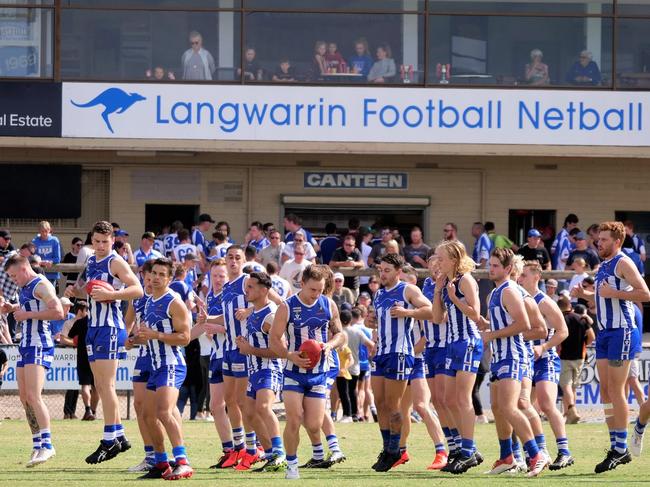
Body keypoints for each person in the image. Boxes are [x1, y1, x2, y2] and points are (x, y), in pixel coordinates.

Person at [65, 220, 143, 464]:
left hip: (110, 327)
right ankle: (119, 435)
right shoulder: (90, 261)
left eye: (104, 242)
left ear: (112, 241)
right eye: (96, 241)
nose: (100, 246)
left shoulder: (115, 261)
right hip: (93, 327)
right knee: (100, 384)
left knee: (106, 386)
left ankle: (109, 440)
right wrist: (74, 293)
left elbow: (137, 289)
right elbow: (89, 290)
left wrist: (112, 295)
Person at [574, 221, 649, 472]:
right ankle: (617, 446)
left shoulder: (623, 262)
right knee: (606, 391)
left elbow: (645, 293)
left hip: (622, 331)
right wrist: (585, 296)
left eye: (604, 239)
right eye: (599, 239)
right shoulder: (604, 265)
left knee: (616, 390)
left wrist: (614, 295)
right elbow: (603, 295)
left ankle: (621, 448)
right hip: (605, 332)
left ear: (617, 242)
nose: (599, 242)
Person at [269, 265, 345, 480]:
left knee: (313, 424)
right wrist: (289, 355)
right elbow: (274, 339)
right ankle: (292, 466)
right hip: (293, 372)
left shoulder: (328, 304)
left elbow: (340, 334)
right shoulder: (287, 307)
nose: (316, 295)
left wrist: (330, 345)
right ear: (302, 284)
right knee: (294, 418)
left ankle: (321, 450)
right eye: (312, 290)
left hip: (319, 373)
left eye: (320, 290)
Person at [480, 248, 549, 477]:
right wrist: (486, 328)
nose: (491, 269)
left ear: (508, 269)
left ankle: (536, 454)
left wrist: (492, 335)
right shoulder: (498, 291)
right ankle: (507, 457)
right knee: (498, 408)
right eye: (490, 265)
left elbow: (524, 324)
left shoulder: (509, 290)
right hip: (500, 356)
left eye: (496, 265)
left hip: (513, 355)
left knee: (511, 406)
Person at [370, 254, 432, 472]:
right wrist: (372, 320)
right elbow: (379, 319)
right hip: (381, 352)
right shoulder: (378, 294)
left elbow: (431, 310)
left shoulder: (408, 290)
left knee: (393, 405)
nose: (383, 274)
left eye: (387, 270)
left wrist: (408, 312)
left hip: (399, 352)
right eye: (381, 269)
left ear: (398, 272)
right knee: (379, 404)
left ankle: (395, 449)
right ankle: (387, 448)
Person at [133, 258, 193, 480]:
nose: (156, 278)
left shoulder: (174, 302)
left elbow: (185, 338)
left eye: (161, 274)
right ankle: (161, 463)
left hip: (171, 364)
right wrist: (135, 339)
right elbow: (149, 337)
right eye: (154, 273)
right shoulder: (148, 301)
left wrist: (156, 335)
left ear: (169, 278)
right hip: (155, 365)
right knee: (148, 416)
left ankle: (183, 461)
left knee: (164, 412)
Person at [3, 254, 64, 466]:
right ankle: (38, 444)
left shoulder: (41, 284)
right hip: (26, 344)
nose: (13, 280)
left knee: (34, 395)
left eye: (13, 276)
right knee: (24, 397)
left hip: (39, 343)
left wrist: (26, 316)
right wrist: (12, 309)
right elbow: (29, 308)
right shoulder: (25, 286)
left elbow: (58, 312)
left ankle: (48, 445)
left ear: (23, 269)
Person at [431, 241, 484, 474]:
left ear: (453, 259)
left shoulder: (466, 280)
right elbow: (436, 318)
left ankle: (468, 451)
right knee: (449, 399)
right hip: (452, 343)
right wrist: (437, 290)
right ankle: (466, 448)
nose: (437, 262)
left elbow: (476, 313)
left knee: (462, 399)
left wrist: (454, 298)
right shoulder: (446, 284)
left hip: (468, 342)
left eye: (441, 258)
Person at [519, 261, 573, 470]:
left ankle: (565, 451)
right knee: (523, 406)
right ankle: (539, 452)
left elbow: (563, 331)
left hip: (545, 358)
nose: (520, 278)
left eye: (524, 275)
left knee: (547, 403)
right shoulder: (518, 298)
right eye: (519, 275)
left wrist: (543, 347)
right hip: (524, 358)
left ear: (536, 277)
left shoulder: (545, 302)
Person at [235, 272, 286, 471]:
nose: (246, 290)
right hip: (254, 369)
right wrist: (245, 344)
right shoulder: (254, 312)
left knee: (263, 407)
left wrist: (250, 349)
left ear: (264, 290)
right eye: (246, 286)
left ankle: (280, 452)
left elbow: (280, 351)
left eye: (251, 287)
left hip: (268, 368)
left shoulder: (270, 315)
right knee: (248, 412)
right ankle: (270, 451)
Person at [191, 259, 235, 468]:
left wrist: (220, 329)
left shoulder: (232, 295)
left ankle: (252, 449)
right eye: (214, 276)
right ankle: (229, 450)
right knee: (216, 406)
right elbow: (205, 326)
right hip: (216, 355)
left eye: (222, 276)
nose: (218, 280)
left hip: (233, 355)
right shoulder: (210, 296)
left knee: (237, 405)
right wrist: (181, 338)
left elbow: (241, 325)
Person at [421, 252, 452, 470]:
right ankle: (448, 448)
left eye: (439, 263)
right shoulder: (426, 287)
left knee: (445, 400)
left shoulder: (450, 286)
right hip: (429, 348)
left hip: (445, 346)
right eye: (433, 264)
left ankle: (460, 446)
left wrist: (413, 312)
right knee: (437, 402)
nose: (436, 267)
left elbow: (442, 316)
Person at [557, 298, 594, 424]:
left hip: (564, 357)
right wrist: (584, 344)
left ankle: (572, 411)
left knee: (566, 386)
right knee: (573, 387)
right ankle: (570, 413)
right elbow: (592, 336)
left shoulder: (560, 320)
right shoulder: (581, 319)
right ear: (570, 306)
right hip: (580, 357)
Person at [31, 221, 62, 289]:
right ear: (39, 231)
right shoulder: (35, 241)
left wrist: (50, 261)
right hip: (39, 274)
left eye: (46, 231)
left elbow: (58, 258)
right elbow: (32, 258)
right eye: (42, 231)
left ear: (49, 230)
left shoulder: (54, 240)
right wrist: (40, 262)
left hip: (52, 274)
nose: (44, 233)